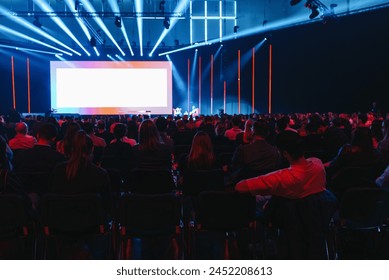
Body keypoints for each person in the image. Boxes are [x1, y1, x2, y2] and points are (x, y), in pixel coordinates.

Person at [235, 130, 326, 199]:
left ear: (285, 153)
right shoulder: (318, 164)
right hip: (315, 218)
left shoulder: (280, 178)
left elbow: (240, 187)